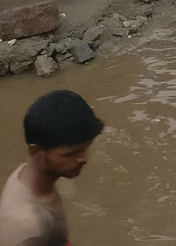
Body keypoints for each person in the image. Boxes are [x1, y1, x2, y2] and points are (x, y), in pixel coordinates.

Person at [0, 90, 104, 246]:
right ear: (36, 152)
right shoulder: (27, 227)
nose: (84, 159)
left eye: (85, 148)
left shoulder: (30, 176)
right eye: (71, 154)